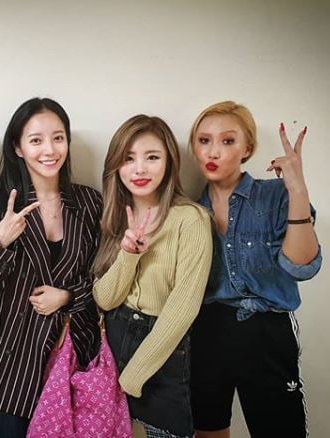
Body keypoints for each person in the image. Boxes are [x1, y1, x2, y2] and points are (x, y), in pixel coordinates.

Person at [188, 101, 322, 438]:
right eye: (204, 141)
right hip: (206, 332)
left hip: (266, 332)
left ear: (247, 148)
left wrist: (297, 189)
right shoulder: (189, 211)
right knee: (208, 430)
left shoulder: (275, 196)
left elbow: (301, 267)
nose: (213, 151)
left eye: (228, 141)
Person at [0, 97, 102, 438]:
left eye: (58, 138)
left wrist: (68, 296)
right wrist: (1, 241)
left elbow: (104, 277)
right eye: (36, 140)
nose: (49, 149)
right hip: (12, 364)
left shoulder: (90, 203)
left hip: (74, 358)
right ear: (18, 147)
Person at [92, 114, 212, 437]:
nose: (140, 169)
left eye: (152, 157)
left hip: (164, 352)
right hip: (114, 343)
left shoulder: (191, 219)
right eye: (128, 158)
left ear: (169, 162)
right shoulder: (115, 216)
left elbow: (183, 308)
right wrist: (128, 255)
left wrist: (132, 376)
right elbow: (104, 299)